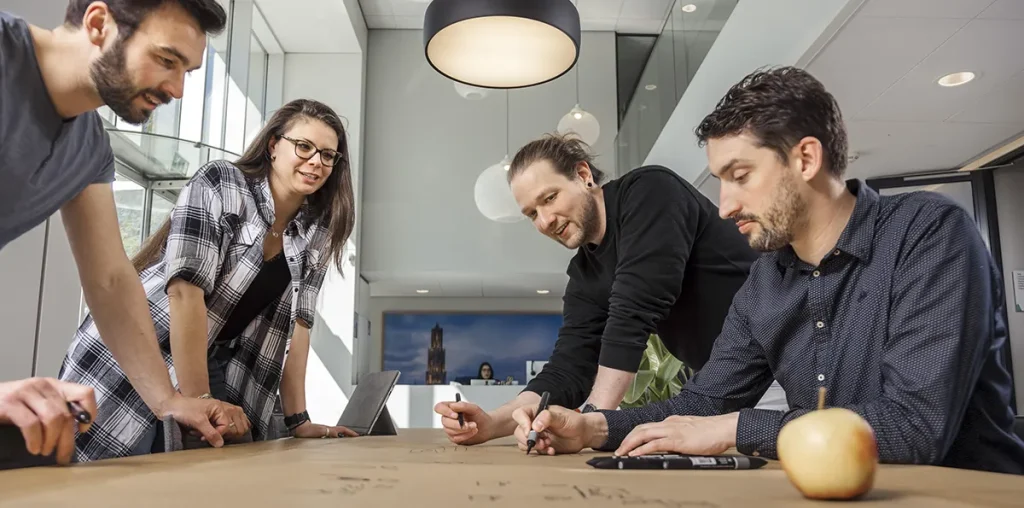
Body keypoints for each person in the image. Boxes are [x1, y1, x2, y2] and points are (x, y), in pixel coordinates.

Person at [508, 66, 1024, 475]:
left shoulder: (929, 234)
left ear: (804, 159)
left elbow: (914, 426)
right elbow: (705, 401)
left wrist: (737, 428)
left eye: (740, 176)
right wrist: (593, 429)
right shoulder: (765, 282)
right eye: (719, 181)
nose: (725, 205)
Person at [0, 0, 239, 463]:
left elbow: (110, 279)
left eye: (186, 71)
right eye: (166, 60)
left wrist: (168, 402)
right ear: (97, 23)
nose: (176, 89)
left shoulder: (89, 151)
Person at [58, 99, 361, 461]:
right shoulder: (222, 183)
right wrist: (199, 402)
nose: (316, 162)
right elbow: (186, 293)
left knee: (199, 478)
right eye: (304, 147)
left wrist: (299, 420)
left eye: (328, 155)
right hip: (140, 344)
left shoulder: (317, 231)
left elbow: (299, 327)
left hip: (212, 360)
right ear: (273, 145)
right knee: (100, 475)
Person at [435, 133, 759, 446]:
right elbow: (569, 365)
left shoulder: (649, 190)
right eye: (532, 213)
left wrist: (589, 423)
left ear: (582, 174)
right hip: (725, 390)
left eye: (549, 198)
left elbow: (634, 309)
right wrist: (494, 423)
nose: (545, 221)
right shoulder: (584, 273)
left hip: (778, 370)